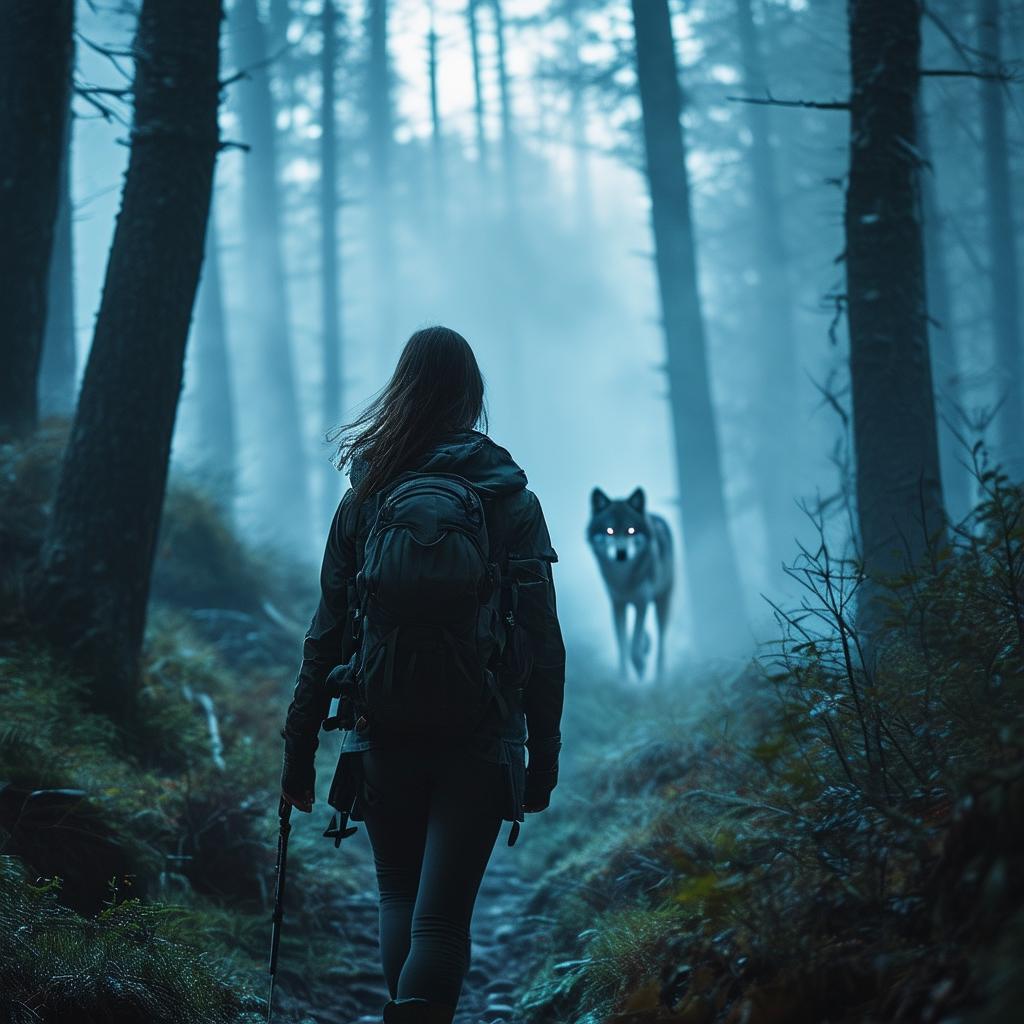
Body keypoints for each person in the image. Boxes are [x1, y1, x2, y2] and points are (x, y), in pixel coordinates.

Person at [280, 326, 566, 1024]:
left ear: (402, 392)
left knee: (399, 898)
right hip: (483, 729)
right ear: (471, 396)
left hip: (381, 726)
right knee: (441, 922)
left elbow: (324, 634)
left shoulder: (367, 500)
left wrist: (298, 749)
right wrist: (544, 756)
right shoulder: (511, 502)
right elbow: (543, 641)